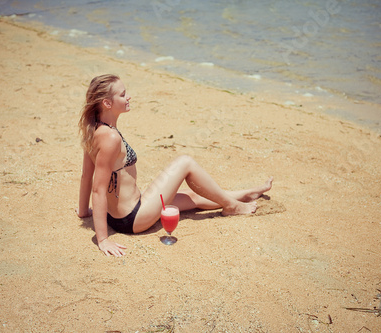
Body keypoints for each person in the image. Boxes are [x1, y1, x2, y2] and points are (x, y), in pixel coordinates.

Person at [77, 74, 273, 257]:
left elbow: (86, 175)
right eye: (123, 94)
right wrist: (102, 239)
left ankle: (247, 193)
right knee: (185, 162)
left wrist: (84, 211)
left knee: (194, 197)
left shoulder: (94, 130)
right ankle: (231, 206)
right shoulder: (110, 137)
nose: (129, 97)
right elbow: (98, 189)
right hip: (133, 217)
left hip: (121, 213)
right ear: (107, 103)